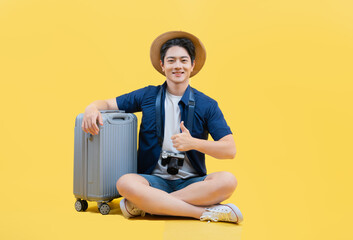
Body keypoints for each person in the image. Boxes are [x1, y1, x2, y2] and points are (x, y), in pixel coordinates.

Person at [81, 31, 243, 223]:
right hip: (153, 181)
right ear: (162, 65)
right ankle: (202, 212)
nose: (177, 66)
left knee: (228, 181)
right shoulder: (148, 95)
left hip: (192, 184)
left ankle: (145, 205)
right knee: (125, 183)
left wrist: (193, 143)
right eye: (171, 60)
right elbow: (106, 104)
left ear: (192, 65)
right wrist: (91, 108)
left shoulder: (207, 104)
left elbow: (229, 149)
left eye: (183, 60)